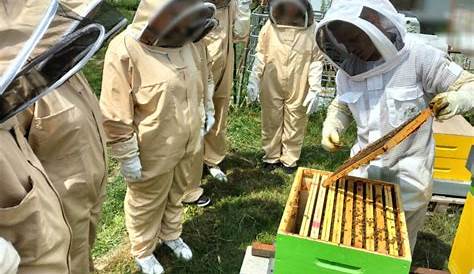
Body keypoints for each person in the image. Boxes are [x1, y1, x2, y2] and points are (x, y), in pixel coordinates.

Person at [315, 0, 474, 252]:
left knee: (397, 252)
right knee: (356, 243)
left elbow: (469, 84)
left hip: (409, 178)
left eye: (355, 38)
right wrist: (333, 123)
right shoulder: (348, 70)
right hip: (363, 172)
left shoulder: (418, 56)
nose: (351, 48)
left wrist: (459, 98)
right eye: (344, 42)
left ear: (375, 24)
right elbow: (342, 104)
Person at [99, 0, 217, 273]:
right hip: (152, 147)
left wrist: (205, 110)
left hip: (188, 140)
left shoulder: (188, 43)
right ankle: (143, 248)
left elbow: (200, 81)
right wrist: (126, 154)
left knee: (177, 192)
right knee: (147, 201)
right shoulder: (125, 48)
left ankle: (171, 234)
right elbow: (115, 109)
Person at [16, 1, 127, 273]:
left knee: (83, 251)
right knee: (69, 259)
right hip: (58, 209)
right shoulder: (19, 92)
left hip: (90, 191)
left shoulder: (70, 71)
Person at [247, 0, 324, 173]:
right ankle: (271, 156)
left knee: (296, 120)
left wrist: (314, 89)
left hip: (299, 81)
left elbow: (316, 62)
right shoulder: (270, 26)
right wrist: (254, 79)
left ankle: (290, 159)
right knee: (270, 119)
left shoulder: (313, 29)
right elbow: (261, 54)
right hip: (271, 80)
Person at [202, 0, 251, 182]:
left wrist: (243, 9)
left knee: (219, 111)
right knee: (194, 113)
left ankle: (212, 160)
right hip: (198, 65)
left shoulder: (231, 5)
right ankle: (190, 164)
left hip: (224, 64)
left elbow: (240, 34)